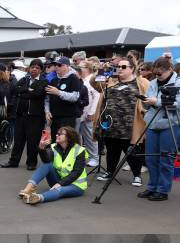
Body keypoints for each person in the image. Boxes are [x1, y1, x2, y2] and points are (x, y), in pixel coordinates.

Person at [91, 57, 149, 186]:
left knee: (132, 151)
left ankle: (137, 175)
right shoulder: (110, 80)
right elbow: (94, 83)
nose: (119, 69)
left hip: (130, 125)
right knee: (111, 150)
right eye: (118, 67)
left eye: (123, 67)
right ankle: (110, 172)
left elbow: (149, 98)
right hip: (110, 124)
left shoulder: (141, 82)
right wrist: (102, 69)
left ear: (132, 68)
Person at [138, 57, 180, 201]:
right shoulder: (153, 83)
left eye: (160, 73)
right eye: (155, 73)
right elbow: (149, 102)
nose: (157, 76)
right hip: (152, 124)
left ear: (170, 70)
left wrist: (158, 101)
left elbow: (178, 104)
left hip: (169, 124)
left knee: (165, 158)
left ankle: (162, 190)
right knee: (150, 158)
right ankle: (152, 187)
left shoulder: (178, 83)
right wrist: (146, 102)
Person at [18, 126, 87, 204]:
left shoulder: (79, 150)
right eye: (57, 133)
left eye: (60, 134)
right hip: (60, 181)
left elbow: (76, 172)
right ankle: (28, 189)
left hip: (76, 185)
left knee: (60, 190)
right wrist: (41, 148)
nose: (57, 135)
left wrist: (60, 184)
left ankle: (38, 198)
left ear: (69, 137)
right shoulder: (54, 147)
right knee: (47, 165)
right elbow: (46, 161)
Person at [1, 58, 47, 169]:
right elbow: (15, 89)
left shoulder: (44, 81)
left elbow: (37, 94)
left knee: (33, 141)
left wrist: (23, 92)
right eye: (32, 67)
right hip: (21, 115)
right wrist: (27, 90)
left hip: (35, 117)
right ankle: (13, 162)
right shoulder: (24, 79)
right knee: (18, 140)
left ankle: (31, 163)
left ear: (41, 70)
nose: (34, 70)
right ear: (29, 68)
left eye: (37, 68)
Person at [45, 56, 83, 137]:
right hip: (54, 118)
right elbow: (47, 99)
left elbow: (75, 97)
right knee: (55, 143)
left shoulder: (73, 79)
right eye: (55, 65)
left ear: (67, 66)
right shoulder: (53, 80)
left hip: (67, 118)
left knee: (66, 142)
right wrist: (47, 111)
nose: (56, 67)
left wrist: (58, 92)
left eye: (59, 65)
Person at [77, 60, 100, 167]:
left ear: (87, 68)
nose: (78, 68)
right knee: (78, 136)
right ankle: (80, 156)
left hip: (88, 113)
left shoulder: (93, 78)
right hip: (80, 112)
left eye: (80, 67)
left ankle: (94, 158)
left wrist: (92, 112)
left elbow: (98, 96)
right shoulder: (81, 79)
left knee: (90, 136)